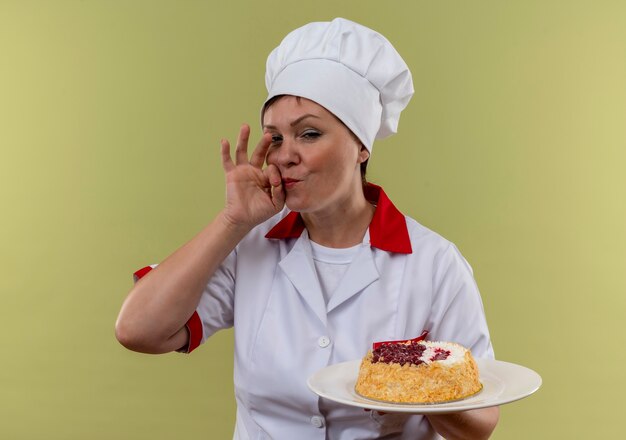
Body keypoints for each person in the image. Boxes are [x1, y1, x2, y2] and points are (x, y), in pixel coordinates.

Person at [115, 17, 499, 439]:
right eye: (275, 138)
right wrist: (232, 221)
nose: (284, 156)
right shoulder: (250, 245)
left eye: (309, 134)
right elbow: (138, 330)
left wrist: (417, 383)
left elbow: (480, 425)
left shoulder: (436, 264)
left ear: (361, 145)